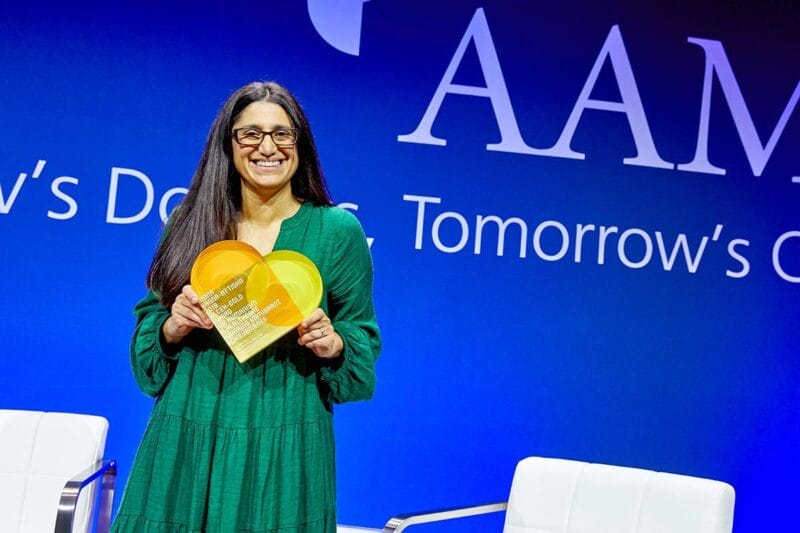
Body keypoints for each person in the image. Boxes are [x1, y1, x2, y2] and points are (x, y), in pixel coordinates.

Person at [111, 81, 381, 532]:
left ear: (300, 143)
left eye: (282, 133)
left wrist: (333, 344)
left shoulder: (337, 231)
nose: (267, 147)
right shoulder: (189, 220)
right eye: (250, 134)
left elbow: (362, 347)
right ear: (228, 144)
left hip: (287, 435)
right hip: (186, 430)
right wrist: (172, 327)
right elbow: (148, 350)